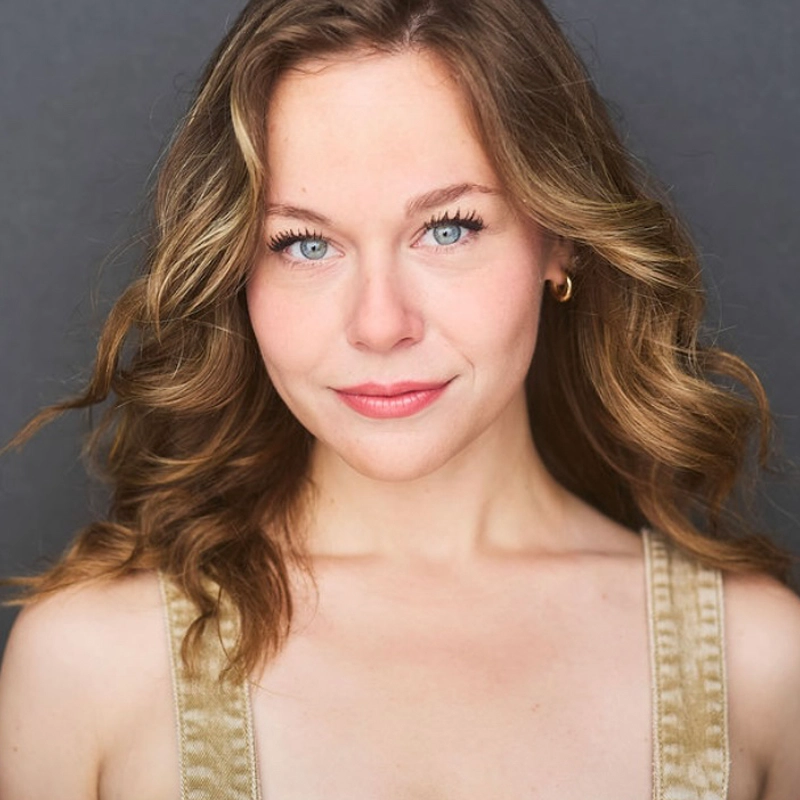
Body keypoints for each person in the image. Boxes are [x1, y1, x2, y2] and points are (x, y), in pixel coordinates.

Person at [1, 0, 799, 797]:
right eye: (304, 244)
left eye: (448, 229)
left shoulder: (757, 665)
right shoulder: (88, 665)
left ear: (559, 238)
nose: (380, 325)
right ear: (237, 273)